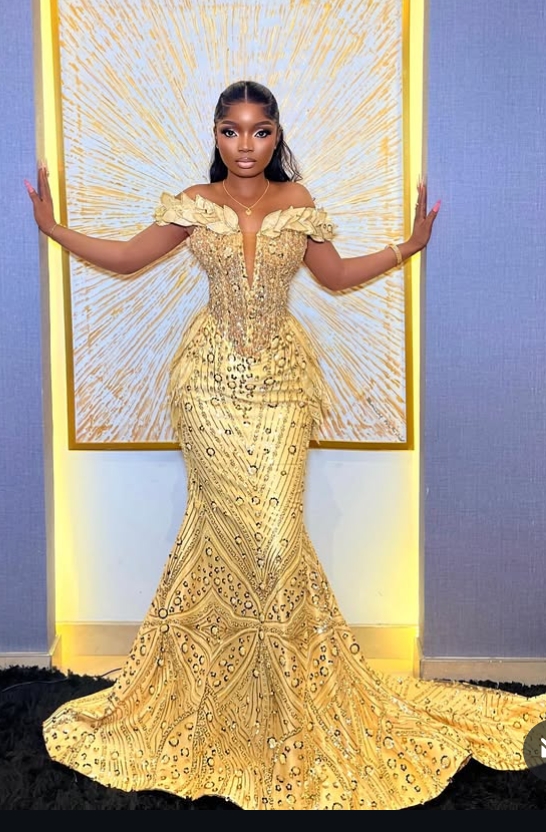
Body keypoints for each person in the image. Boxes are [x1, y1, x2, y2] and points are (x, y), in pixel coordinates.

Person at [26, 80, 546, 811]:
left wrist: (408, 246)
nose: (246, 145)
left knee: (274, 539)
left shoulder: (297, 201)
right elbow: (124, 257)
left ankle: (287, 701)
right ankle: (220, 695)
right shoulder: (193, 202)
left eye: (260, 131)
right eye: (232, 131)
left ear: (276, 136)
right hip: (207, 384)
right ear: (216, 135)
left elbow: (335, 275)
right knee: (220, 534)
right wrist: (53, 227)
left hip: (281, 386)